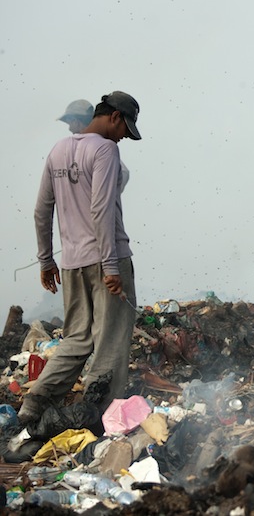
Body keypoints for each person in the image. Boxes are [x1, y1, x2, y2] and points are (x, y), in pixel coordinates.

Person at [22, 91, 143, 424]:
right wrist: (111, 265)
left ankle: (34, 405)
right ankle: (96, 415)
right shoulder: (106, 149)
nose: (124, 138)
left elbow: (41, 210)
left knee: (76, 338)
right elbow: (101, 208)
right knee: (111, 340)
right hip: (107, 257)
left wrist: (47, 260)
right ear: (115, 117)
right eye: (125, 129)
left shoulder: (58, 150)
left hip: (72, 263)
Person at [58, 98, 131, 193]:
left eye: (70, 122)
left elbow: (123, 172)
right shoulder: (82, 149)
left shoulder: (99, 149)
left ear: (76, 121)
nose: (70, 128)